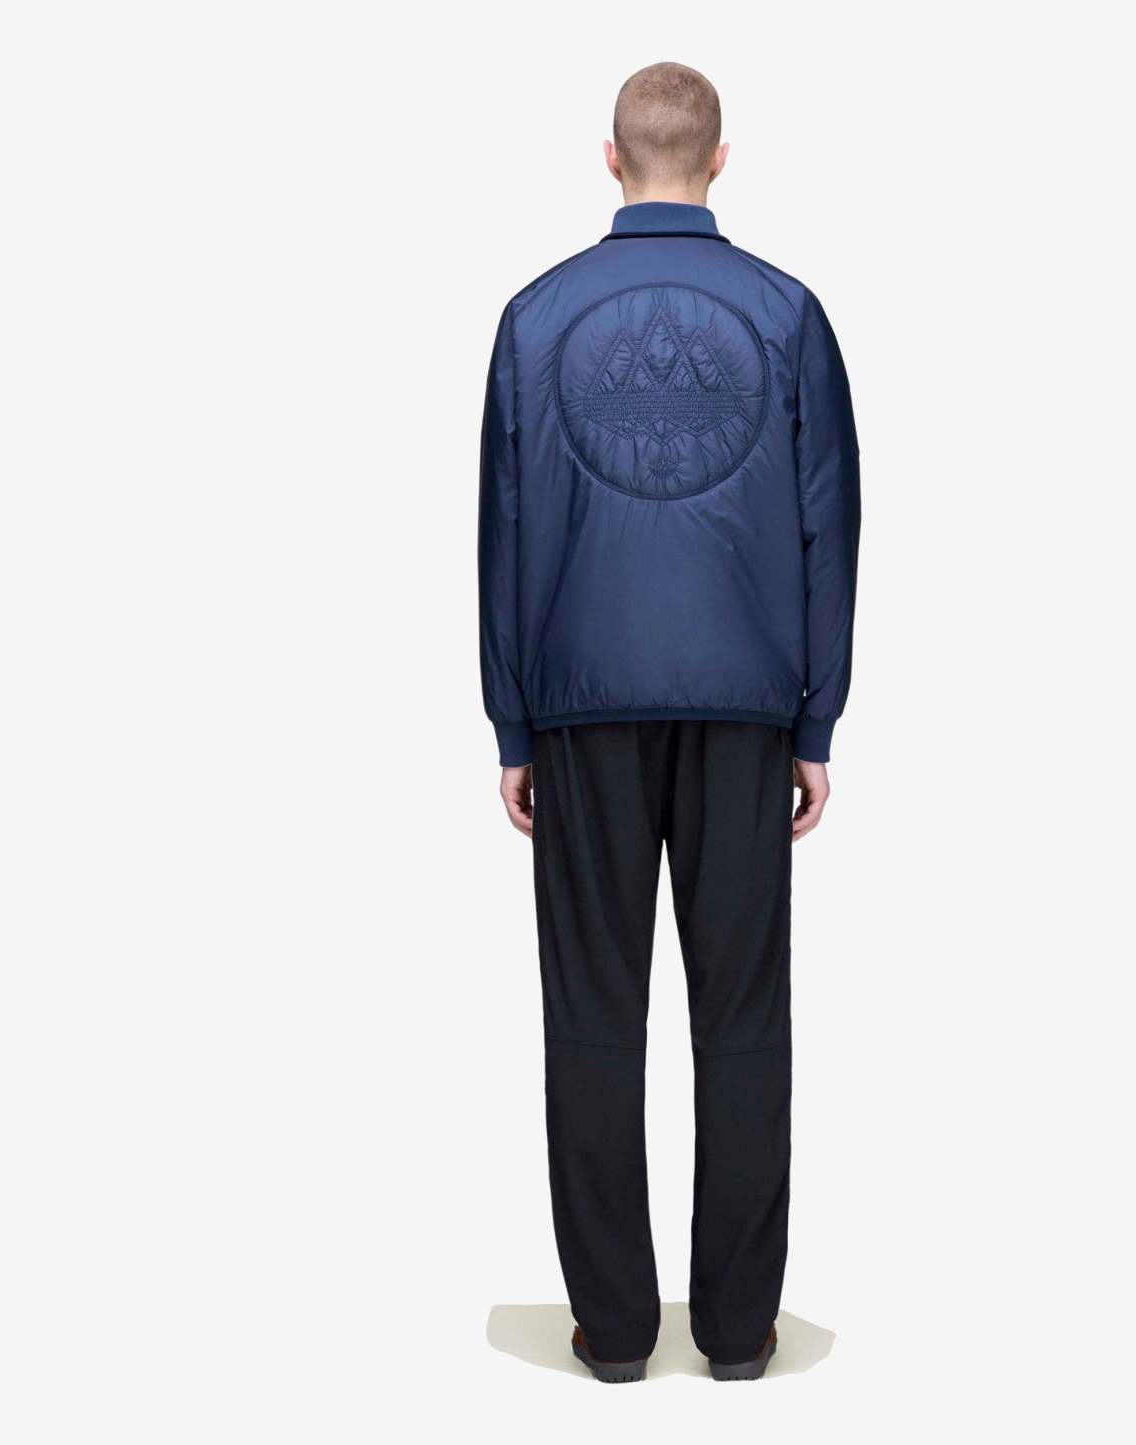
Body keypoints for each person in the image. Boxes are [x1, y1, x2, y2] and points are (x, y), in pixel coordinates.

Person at [478, 60, 860, 1383]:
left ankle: (617, 1329)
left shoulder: (534, 319)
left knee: (593, 1014)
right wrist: (817, 719)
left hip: (581, 705)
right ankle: (740, 1332)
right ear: (719, 159)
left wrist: (512, 723)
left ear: (609, 159)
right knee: (742, 1014)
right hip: (747, 706)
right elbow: (828, 523)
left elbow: (505, 528)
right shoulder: (786, 312)